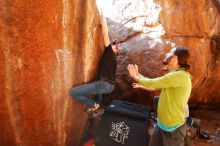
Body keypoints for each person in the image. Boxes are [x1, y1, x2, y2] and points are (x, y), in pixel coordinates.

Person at [127, 46, 191, 146]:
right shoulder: (175, 75)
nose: (166, 55)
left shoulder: (179, 76)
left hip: (173, 129)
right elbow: (155, 85)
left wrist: (134, 76)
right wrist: (138, 74)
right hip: (161, 125)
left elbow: (153, 83)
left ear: (174, 58)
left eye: (169, 53)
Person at [69, 14, 121, 114]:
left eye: (116, 46)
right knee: (99, 92)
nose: (114, 45)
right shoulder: (112, 58)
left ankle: (94, 105)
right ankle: (98, 110)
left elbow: (105, 34)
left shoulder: (110, 52)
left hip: (104, 84)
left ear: (116, 52)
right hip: (109, 87)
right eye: (114, 44)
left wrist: (103, 18)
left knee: (73, 93)